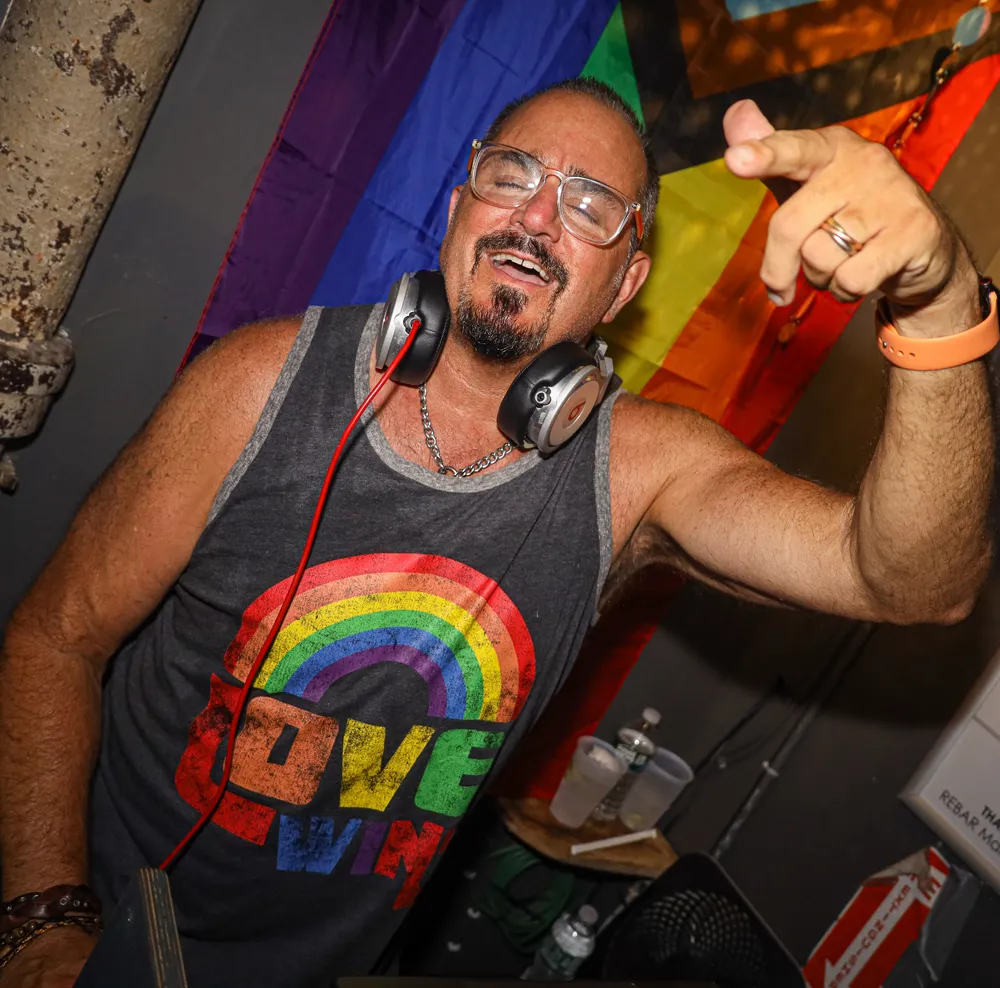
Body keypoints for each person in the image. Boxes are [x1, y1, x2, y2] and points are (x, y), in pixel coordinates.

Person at [0, 76, 994, 988]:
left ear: (626, 282)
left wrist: (940, 302)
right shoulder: (259, 383)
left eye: (589, 205)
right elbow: (56, 636)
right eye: (512, 174)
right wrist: (44, 922)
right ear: (457, 209)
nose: (536, 216)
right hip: (100, 932)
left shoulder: (638, 474)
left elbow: (910, 581)